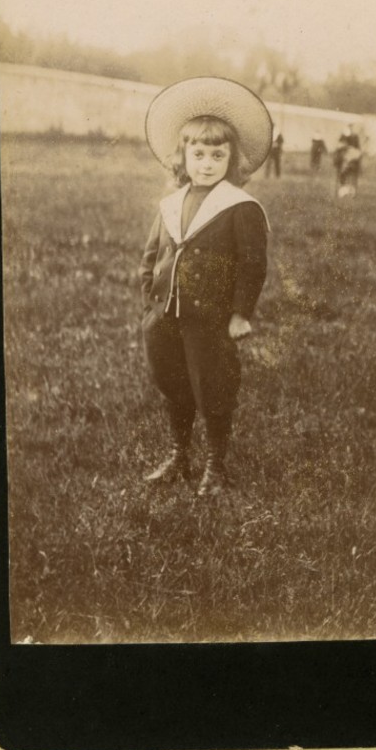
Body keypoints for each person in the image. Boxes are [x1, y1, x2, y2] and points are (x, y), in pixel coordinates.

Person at [139, 77, 272, 497]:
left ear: (231, 159)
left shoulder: (239, 206)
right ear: (183, 156)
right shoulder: (171, 203)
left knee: (211, 386)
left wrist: (239, 314)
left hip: (210, 319)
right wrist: (150, 297)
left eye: (218, 155)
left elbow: (253, 265)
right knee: (173, 384)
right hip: (165, 315)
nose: (207, 163)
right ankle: (180, 454)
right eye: (198, 154)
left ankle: (216, 463)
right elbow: (152, 254)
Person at [333, 125, 363, 197]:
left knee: (350, 176)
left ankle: (350, 191)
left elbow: (358, 151)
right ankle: (343, 190)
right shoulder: (343, 138)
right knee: (343, 175)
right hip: (344, 161)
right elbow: (338, 149)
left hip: (351, 161)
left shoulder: (355, 138)